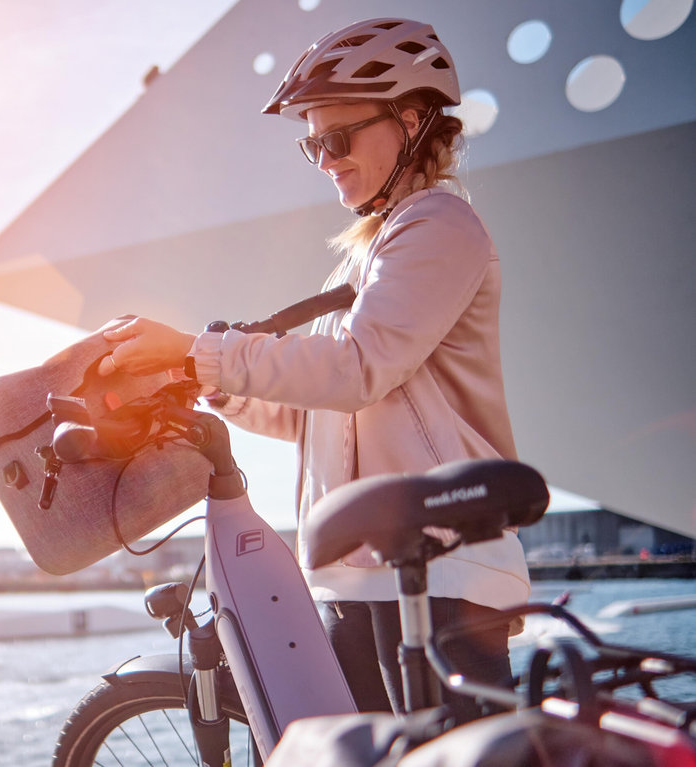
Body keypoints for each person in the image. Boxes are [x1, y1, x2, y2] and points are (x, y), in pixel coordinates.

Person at [95, 18, 529, 720]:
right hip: (360, 577)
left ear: (412, 120)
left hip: (437, 570)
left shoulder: (439, 226)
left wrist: (195, 350)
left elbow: (357, 369)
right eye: (313, 144)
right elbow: (319, 409)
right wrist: (216, 383)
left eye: (338, 138)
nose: (325, 159)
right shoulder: (367, 259)